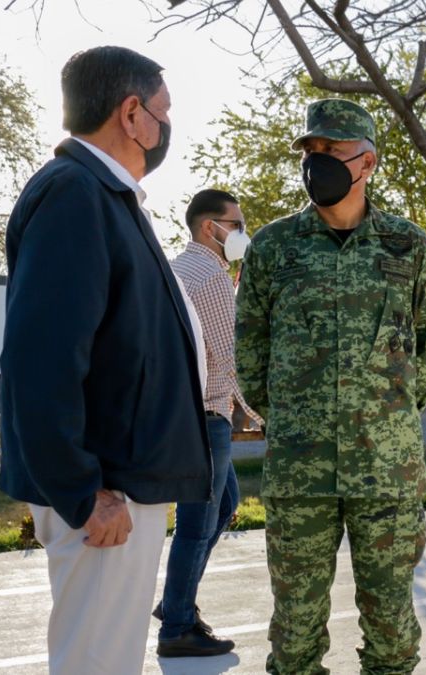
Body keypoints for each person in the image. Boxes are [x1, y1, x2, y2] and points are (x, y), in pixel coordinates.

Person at [0, 46, 213, 674]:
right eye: (164, 111)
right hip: (104, 497)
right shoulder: (75, 194)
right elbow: (42, 360)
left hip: (120, 486)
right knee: (96, 663)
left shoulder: (106, 196)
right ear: (132, 113)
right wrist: (82, 491)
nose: (167, 125)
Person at [235, 98, 426, 674]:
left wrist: (388, 414)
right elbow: (249, 348)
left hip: (387, 467)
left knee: (392, 630)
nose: (317, 160)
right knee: (295, 634)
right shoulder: (273, 247)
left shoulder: (408, 245)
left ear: (367, 162)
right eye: (311, 149)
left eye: (331, 149)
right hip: (299, 469)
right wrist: (292, 416)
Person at [153, 188, 260, 657]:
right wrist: (266, 417)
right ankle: (177, 626)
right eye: (236, 225)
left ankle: (174, 601)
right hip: (206, 415)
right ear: (208, 227)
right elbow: (233, 359)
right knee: (197, 524)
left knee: (225, 503)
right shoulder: (212, 276)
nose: (241, 233)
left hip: (186, 413)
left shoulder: (177, 268)